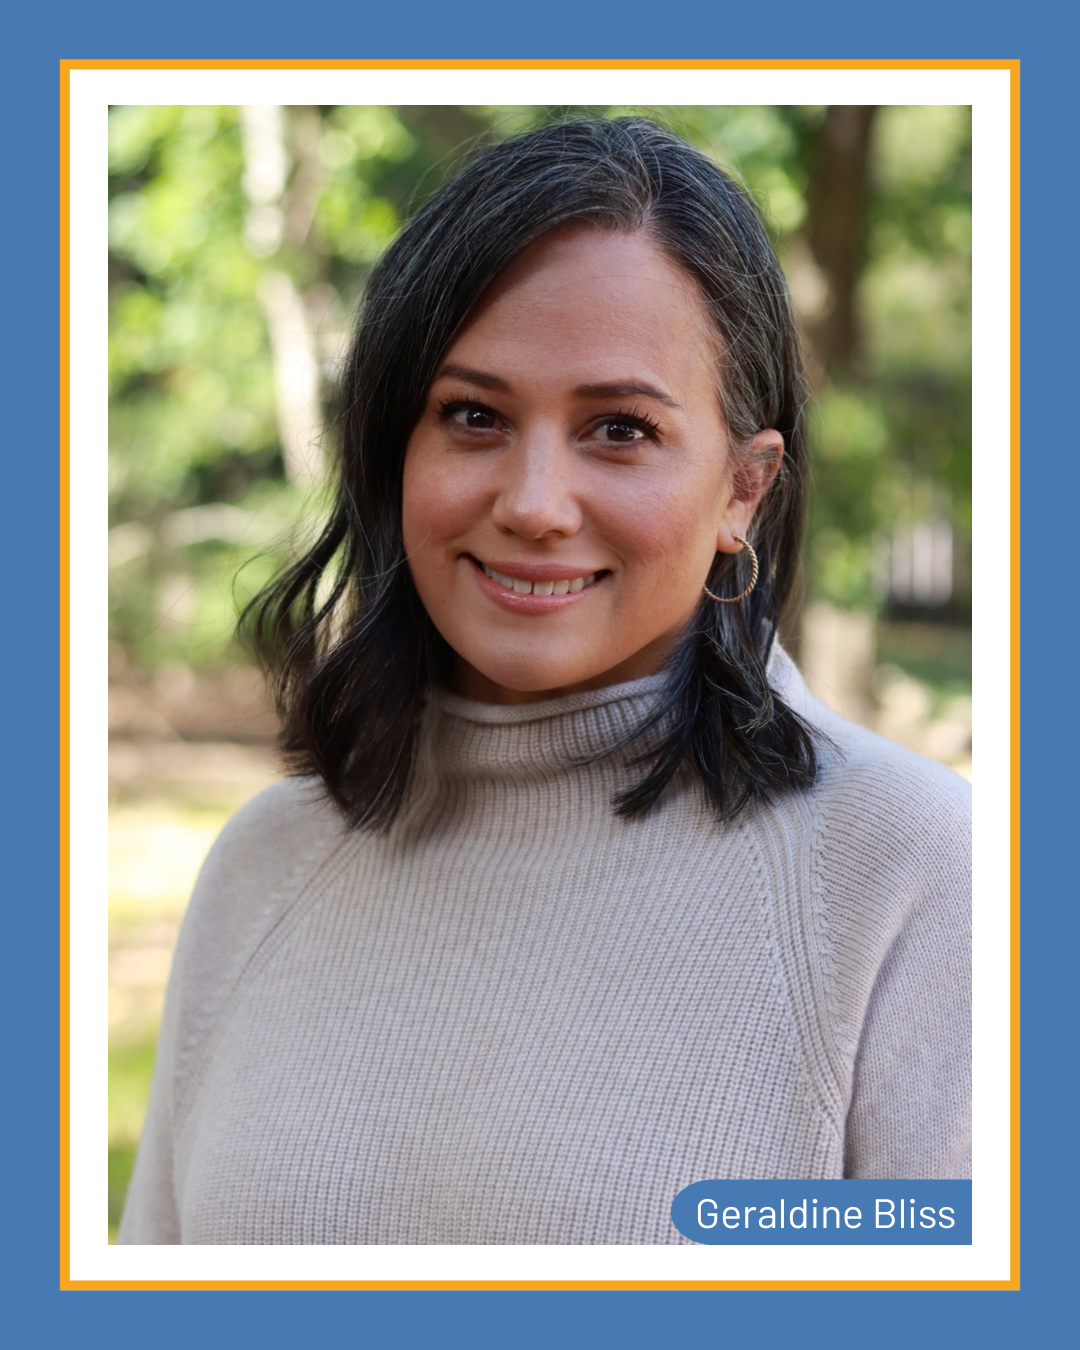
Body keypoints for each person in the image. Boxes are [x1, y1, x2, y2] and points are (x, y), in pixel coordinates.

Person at [119, 117, 970, 1246]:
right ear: (393, 449)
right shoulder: (267, 866)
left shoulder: (910, 872)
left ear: (743, 491)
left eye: (618, 429)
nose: (532, 501)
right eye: (473, 416)